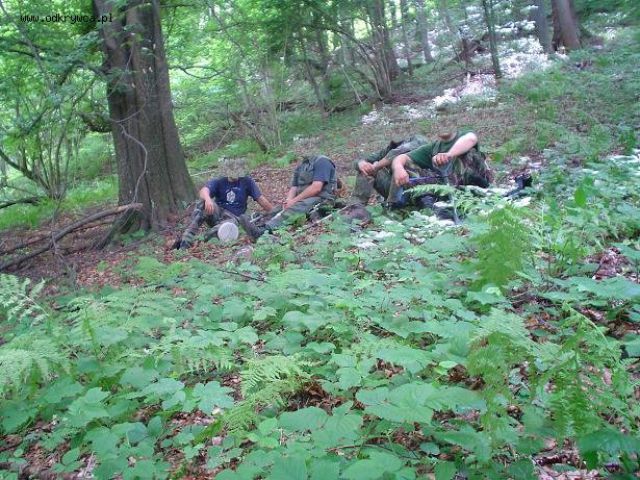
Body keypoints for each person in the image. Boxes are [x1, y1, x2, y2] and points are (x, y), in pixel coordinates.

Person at [351, 130, 493, 208]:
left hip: (419, 182)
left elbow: (400, 153)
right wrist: (361, 164)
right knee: (365, 171)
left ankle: (399, 204)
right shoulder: (387, 149)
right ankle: (356, 208)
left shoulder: (417, 140)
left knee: (407, 168)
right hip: (395, 185)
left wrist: (377, 165)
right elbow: (362, 160)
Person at [176, 159, 274, 249]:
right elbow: (203, 191)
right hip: (218, 213)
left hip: (234, 217)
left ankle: (202, 240)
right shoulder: (219, 180)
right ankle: (186, 239)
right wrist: (208, 199)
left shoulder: (247, 181)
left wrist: (274, 212)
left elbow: (261, 199)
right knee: (202, 203)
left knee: (222, 231)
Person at [258, 155, 337, 234]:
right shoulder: (301, 166)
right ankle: (258, 224)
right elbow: (294, 187)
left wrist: (294, 201)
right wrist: (289, 201)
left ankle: (265, 230)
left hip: (322, 198)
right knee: (278, 209)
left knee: (297, 208)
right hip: (303, 199)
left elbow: (316, 188)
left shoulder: (322, 162)